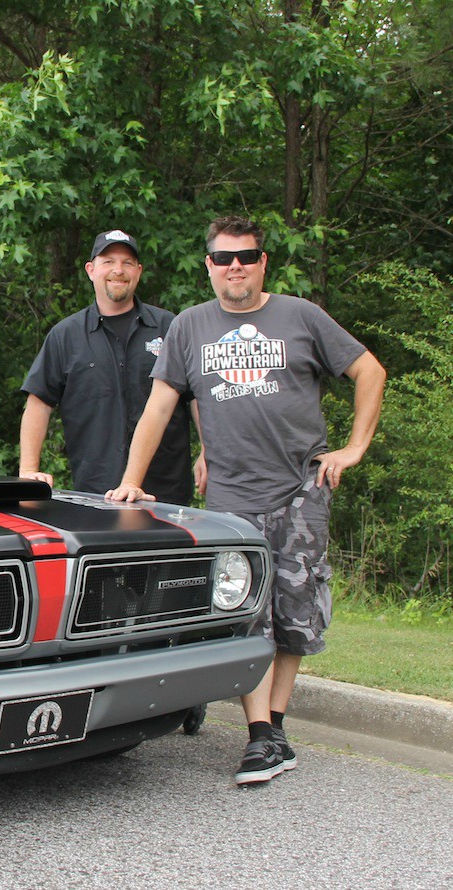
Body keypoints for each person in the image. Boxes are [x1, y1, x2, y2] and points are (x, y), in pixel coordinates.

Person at [106, 215, 386, 785]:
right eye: (225, 258)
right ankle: (261, 736)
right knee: (244, 615)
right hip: (232, 500)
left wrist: (354, 448)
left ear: (263, 263)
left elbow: (369, 370)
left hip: (301, 490)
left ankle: (273, 728)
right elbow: (159, 408)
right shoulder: (190, 328)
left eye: (248, 256)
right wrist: (132, 478)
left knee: (293, 613)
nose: (237, 266)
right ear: (208, 266)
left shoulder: (301, 317)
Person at [19, 229, 199, 504]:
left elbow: (197, 396)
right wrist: (28, 470)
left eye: (127, 263)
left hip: (166, 493)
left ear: (138, 271)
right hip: (95, 493)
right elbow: (38, 403)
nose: (118, 270)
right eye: (108, 261)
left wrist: (208, 451)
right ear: (91, 270)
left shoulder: (170, 327)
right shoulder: (65, 335)